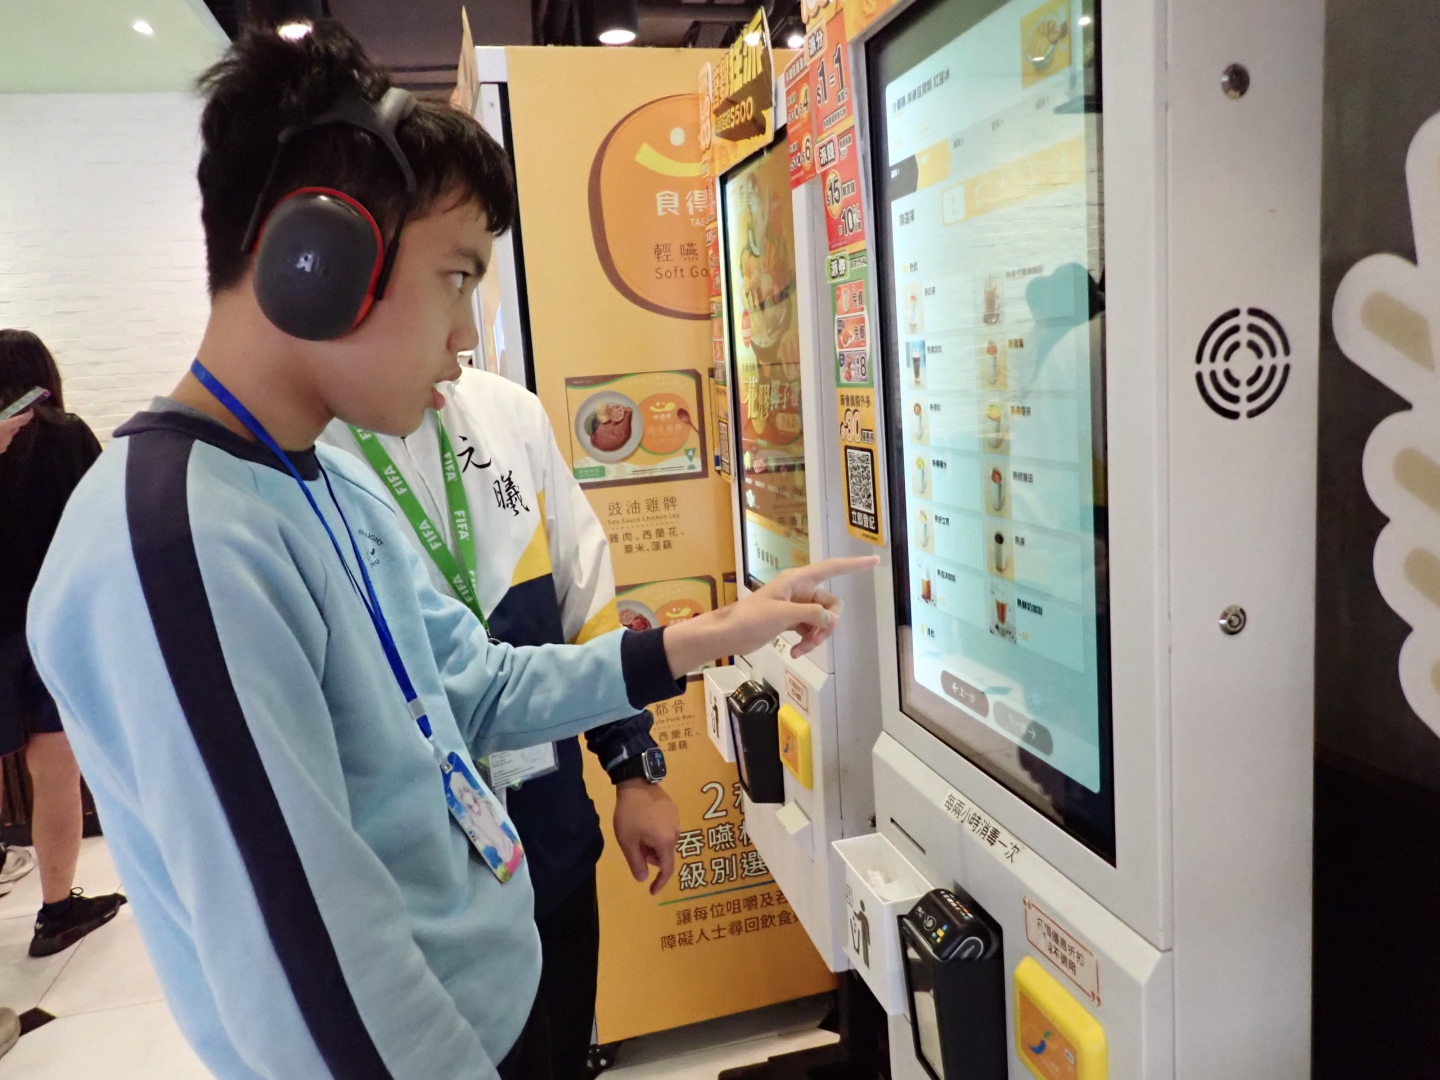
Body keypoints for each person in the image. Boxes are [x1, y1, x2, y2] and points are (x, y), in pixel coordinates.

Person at [25, 23, 871, 1080]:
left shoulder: (316, 482)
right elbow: (313, 979)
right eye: (457, 277)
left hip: (497, 1000)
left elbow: (477, 687)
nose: (467, 336)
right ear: (317, 261)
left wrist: (714, 635)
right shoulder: (175, 547)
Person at [322, 364, 682, 1080]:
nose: (461, 339)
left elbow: (584, 600)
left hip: (549, 830)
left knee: (562, 1042)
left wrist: (632, 768)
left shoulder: (508, 414)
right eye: (446, 303)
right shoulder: (312, 454)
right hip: (421, 872)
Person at [0, 329, 127, 956]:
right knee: (56, 771)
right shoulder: (68, 435)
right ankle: (56, 913)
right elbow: (103, 524)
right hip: (52, 625)